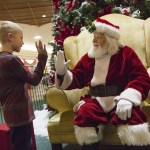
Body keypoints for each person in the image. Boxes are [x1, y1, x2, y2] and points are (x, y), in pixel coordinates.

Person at [54, 18, 150, 150]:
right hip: (94, 99)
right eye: (94, 37)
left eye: (98, 37)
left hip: (120, 98)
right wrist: (61, 73)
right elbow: (77, 77)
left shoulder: (126, 53)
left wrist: (128, 98)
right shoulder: (89, 57)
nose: (93, 40)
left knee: (132, 117)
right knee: (85, 115)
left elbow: (141, 77)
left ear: (110, 39)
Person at [0, 21, 47, 150]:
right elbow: (35, 80)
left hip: (10, 114)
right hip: (20, 114)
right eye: (21, 38)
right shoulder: (11, 60)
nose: (23, 42)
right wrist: (42, 58)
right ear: (10, 37)